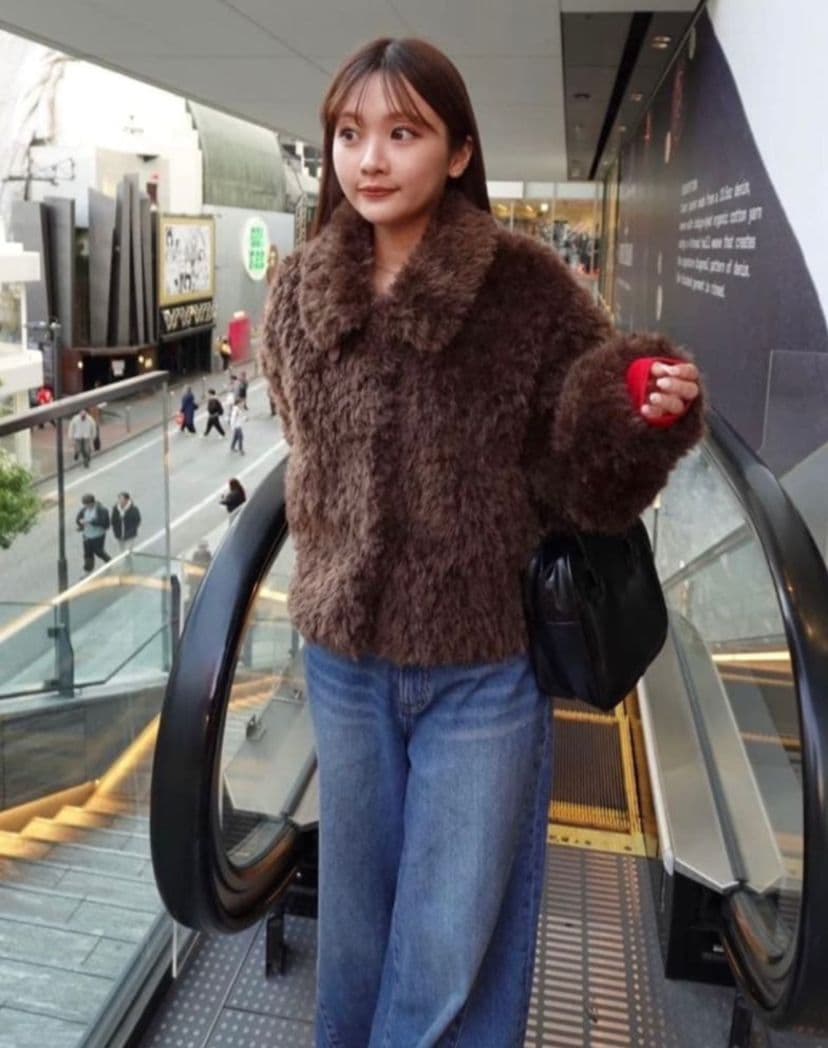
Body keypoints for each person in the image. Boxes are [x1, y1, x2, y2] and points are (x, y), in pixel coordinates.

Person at [261, 38, 703, 1048]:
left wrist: (638, 412)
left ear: (459, 151)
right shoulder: (300, 290)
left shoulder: (527, 290)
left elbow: (581, 471)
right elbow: (298, 434)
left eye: (402, 133)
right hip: (342, 660)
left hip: (483, 666)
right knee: (357, 925)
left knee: (450, 937)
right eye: (349, 134)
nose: (370, 159)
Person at [75, 493, 111, 572]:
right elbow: (78, 518)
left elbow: (103, 522)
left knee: (98, 551)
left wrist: (90, 521)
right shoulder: (84, 510)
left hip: (98, 535)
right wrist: (80, 523)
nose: (86, 506)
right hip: (87, 535)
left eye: (87, 504)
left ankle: (109, 562)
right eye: (85, 504)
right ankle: (88, 569)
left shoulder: (101, 510)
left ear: (92, 503)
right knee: (87, 553)